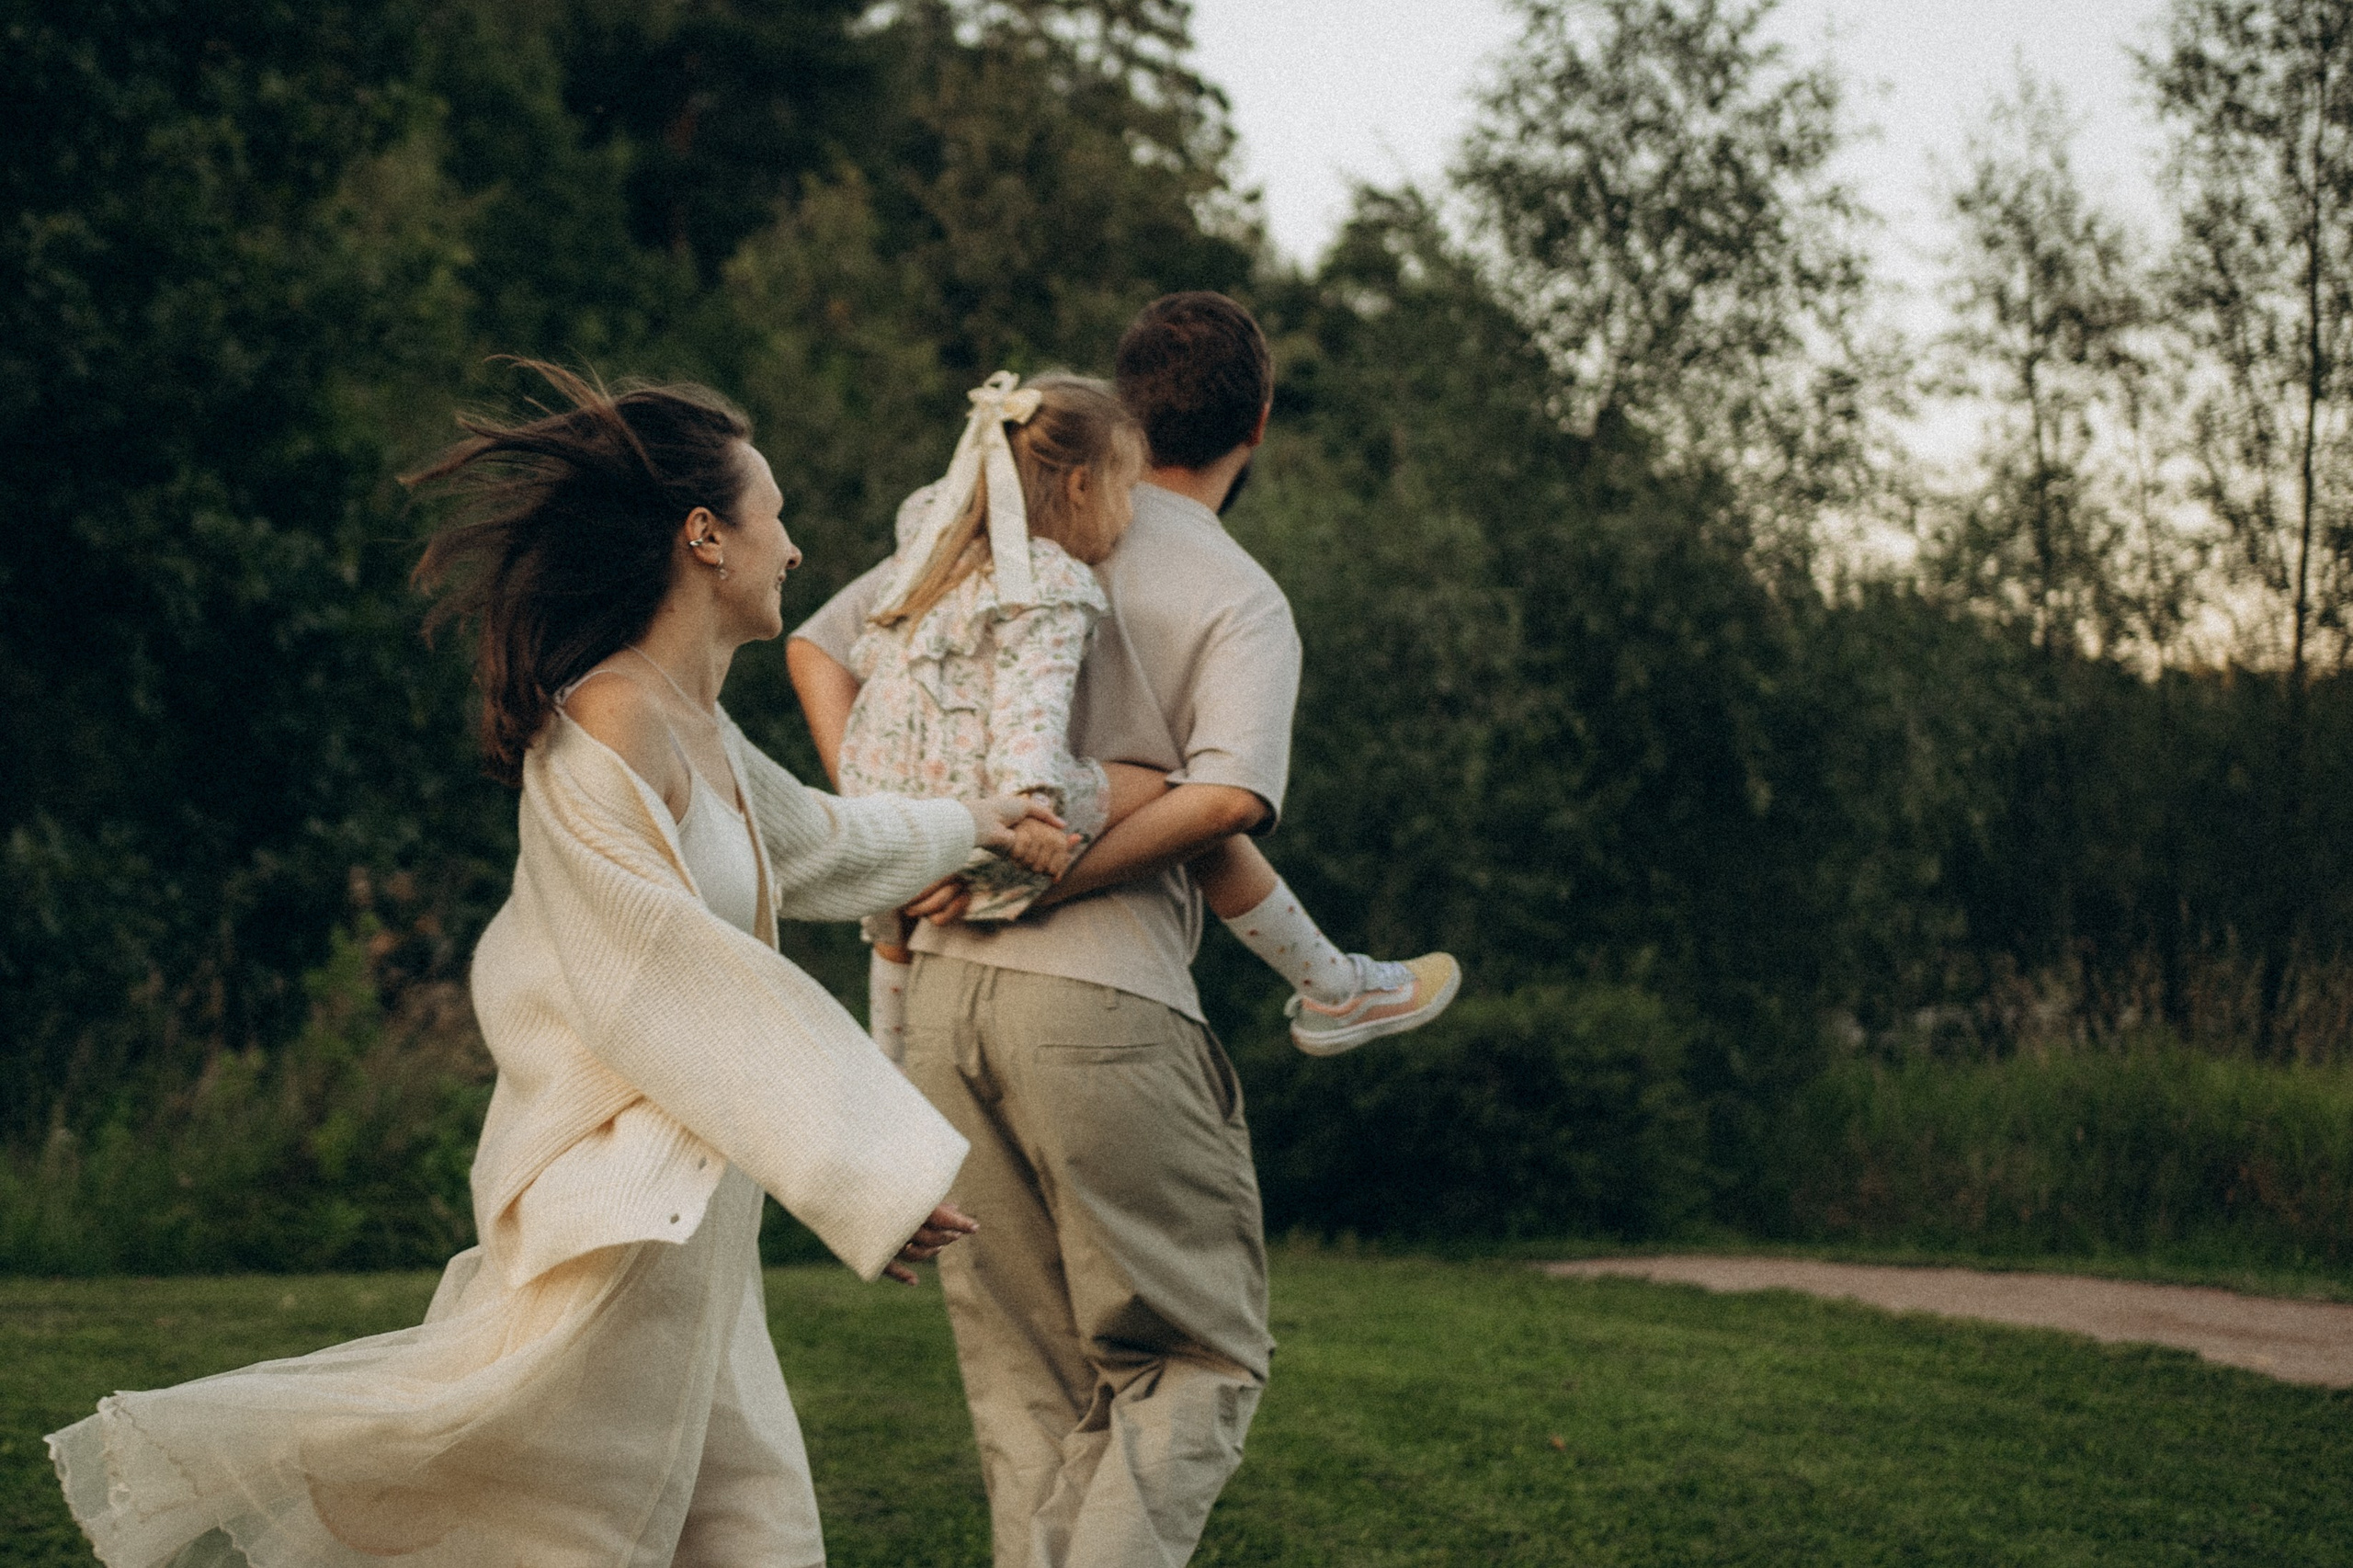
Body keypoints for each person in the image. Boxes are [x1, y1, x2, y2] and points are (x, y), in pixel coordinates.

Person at [43, 364, 1061, 1568]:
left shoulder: (695, 726)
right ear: (704, 538)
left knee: (752, 1528)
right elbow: (662, 978)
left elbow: (822, 840)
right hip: (622, 1226)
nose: (794, 548)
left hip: (695, 1235)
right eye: (774, 516)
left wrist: (982, 819)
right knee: (554, 1524)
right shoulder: (609, 727)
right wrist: (864, 1175)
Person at [786, 293, 1454, 1568]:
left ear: (1125, 402)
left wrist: (914, 831)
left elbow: (819, 653)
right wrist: (1025, 868)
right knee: (1195, 1354)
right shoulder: (1237, 590)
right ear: (1257, 421)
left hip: (935, 1003)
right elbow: (1229, 799)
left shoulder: (991, 518)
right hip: (1101, 1004)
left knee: (1027, 1387)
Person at [814, 366, 1456, 1062]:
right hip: (1008, 829)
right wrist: (1028, 822)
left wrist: (887, 816)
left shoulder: (940, 550)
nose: (1131, 513)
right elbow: (1037, 711)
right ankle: (1331, 983)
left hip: (896, 816)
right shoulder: (1055, 586)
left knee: (888, 931)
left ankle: (889, 1062)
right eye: (1125, 491)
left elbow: (824, 651)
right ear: (1082, 486)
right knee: (1184, 791)